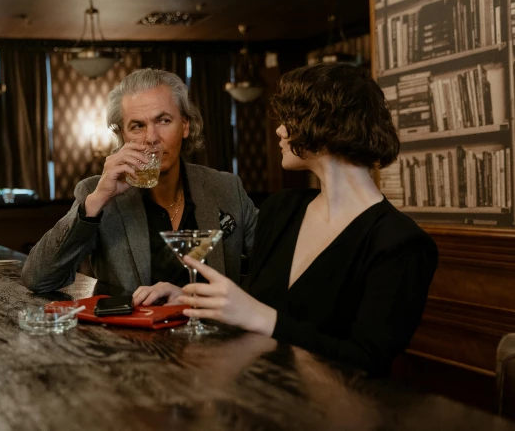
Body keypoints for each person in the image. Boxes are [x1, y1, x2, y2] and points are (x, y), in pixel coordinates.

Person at [145, 63, 438, 376]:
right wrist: (197, 301)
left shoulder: (401, 243)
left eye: (290, 119)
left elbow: (365, 363)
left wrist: (264, 318)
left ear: (327, 124)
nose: (279, 130)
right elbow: (252, 311)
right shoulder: (281, 209)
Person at [22, 69, 259, 294]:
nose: (151, 138)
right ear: (123, 135)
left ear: (185, 126)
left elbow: (278, 268)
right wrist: (96, 202)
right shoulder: (96, 194)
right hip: (133, 336)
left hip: (216, 335)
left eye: (164, 121)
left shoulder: (227, 189)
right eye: (137, 126)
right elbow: (38, 279)